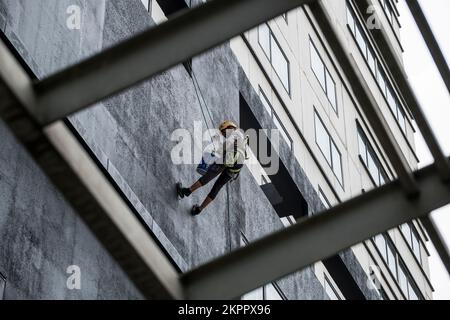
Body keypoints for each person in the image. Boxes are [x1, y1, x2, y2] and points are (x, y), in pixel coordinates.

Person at [177, 120, 247, 216]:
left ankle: (186, 191)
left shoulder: (234, 133)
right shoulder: (241, 137)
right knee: (217, 187)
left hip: (229, 159)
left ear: (228, 128)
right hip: (236, 168)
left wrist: (216, 145)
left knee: (208, 176)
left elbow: (225, 147)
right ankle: (199, 209)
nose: (223, 134)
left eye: (223, 132)